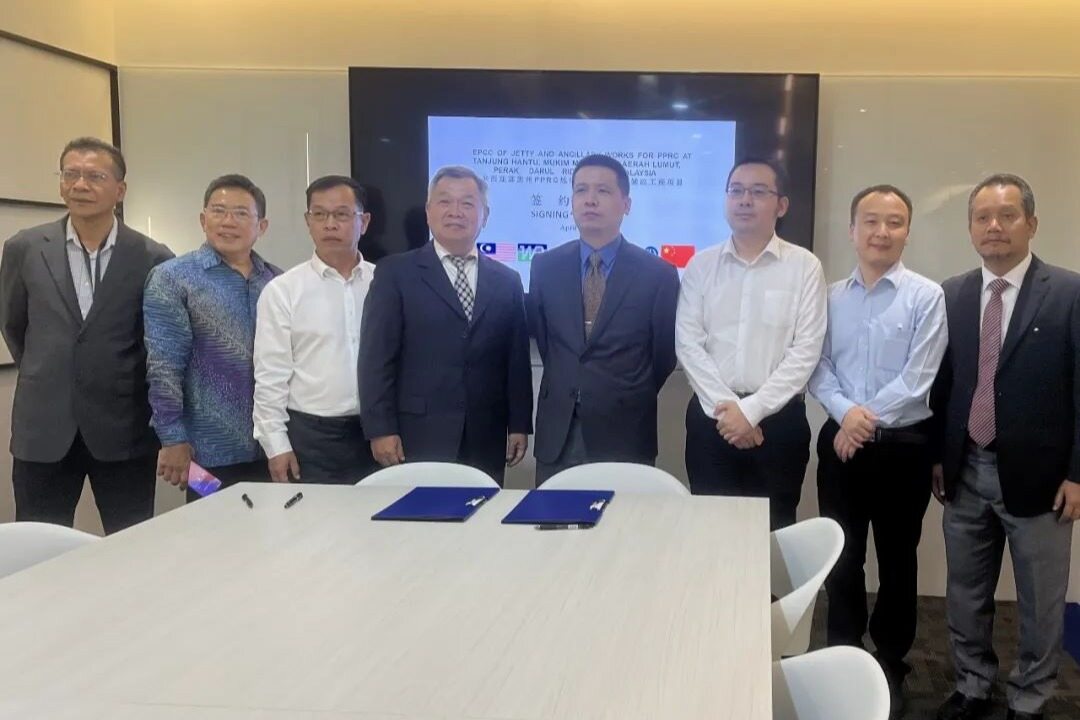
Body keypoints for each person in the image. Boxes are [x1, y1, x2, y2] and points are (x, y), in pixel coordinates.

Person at [931, 174, 1080, 720]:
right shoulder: (952, 293)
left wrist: (1078, 473)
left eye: (1008, 215)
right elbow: (942, 385)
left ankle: (1031, 696)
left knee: (1041, 600)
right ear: (971, 227)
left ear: (1031, 223)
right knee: (965, 592)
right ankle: (972, 684)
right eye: (982, 217)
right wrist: (939, 457)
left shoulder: (1069, 293)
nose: (994, 226)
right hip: (966, 470)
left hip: (1044, 481)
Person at [808, 185, 947, 718]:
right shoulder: (827, 296)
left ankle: (891, 661)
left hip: (902, 450)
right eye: (870, 221)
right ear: (852, 230)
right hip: (840, 446)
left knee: (897, 559)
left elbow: (919, 379)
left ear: (907, 231)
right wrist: (846, 416)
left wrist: (858, 421)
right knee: (842, 557)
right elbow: (818, 366)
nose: (881, 232)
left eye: (894, 222)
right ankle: (842, 652)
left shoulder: (926, 297)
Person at [0, 137, 173, 533]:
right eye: (71, 174)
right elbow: (13, 324)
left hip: (123, 426)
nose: (80, 185)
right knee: (38, 540)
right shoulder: (24, 248)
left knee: (130, 538)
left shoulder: (153, 257)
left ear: (120, 189)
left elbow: (156, 342)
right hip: (43, 426)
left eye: (95, 176)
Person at [676, 156, 826, 529]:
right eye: (736, 191)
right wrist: (730, 413)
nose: (745, 200)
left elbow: (806, 351)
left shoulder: (805, 266)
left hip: (779, 424)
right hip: (712, 421)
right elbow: (688, 345)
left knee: (773, 534)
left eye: (758, 192)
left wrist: (751, 412)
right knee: (710, 531)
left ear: (781, 205)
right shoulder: (701, 265)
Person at [359, 165, 532, 485]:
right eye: (445, 201)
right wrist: (380, 429)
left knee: (484, 512)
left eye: (467, 203)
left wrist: (519, 424)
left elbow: (516, 361)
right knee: (421, 514)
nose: (456, 211)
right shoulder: (395, 274)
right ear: (428, 212)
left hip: (486, 434)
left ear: (485, 215)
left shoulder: (507, 280)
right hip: (417, 432)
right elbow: (376, 359)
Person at [528, 154, 679, 484]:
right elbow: (547, 342)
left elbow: (663, 355)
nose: (590, 200)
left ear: (626, 204)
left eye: (603, 191)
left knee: (625, 517)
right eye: (581, 190)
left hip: (625, 428)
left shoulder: (658, 274)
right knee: (550, 516)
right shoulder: (545, 267)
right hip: (559, 430)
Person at [144, 174, 280, 502]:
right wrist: (172, 438)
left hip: (273, 448)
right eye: (218, 211)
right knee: (214, 527)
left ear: (261, 226)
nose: (228, 221)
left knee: (273, 526)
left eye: (241, 213)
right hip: (205, 451)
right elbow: (164, 366)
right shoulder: (172, 278)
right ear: (203, 220)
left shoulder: (277, 281)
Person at [253, 175, 378, 485]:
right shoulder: (283, 290)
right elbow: (270, 375)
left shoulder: (385, 283)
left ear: (363, 222)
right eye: (319, 214)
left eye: (341, 214)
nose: (329, 224)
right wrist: (276, 445)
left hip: (378, 433)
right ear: (308, 222)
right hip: (312, 438)